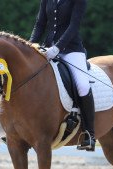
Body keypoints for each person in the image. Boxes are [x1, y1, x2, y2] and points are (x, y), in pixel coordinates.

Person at [30, 0, 96, 151]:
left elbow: (74, 26)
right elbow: (40, 24)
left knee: (83, 85)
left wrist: (57, 48)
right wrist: (29, 46)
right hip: (46, 48)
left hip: (71, 49)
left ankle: (89, 135)